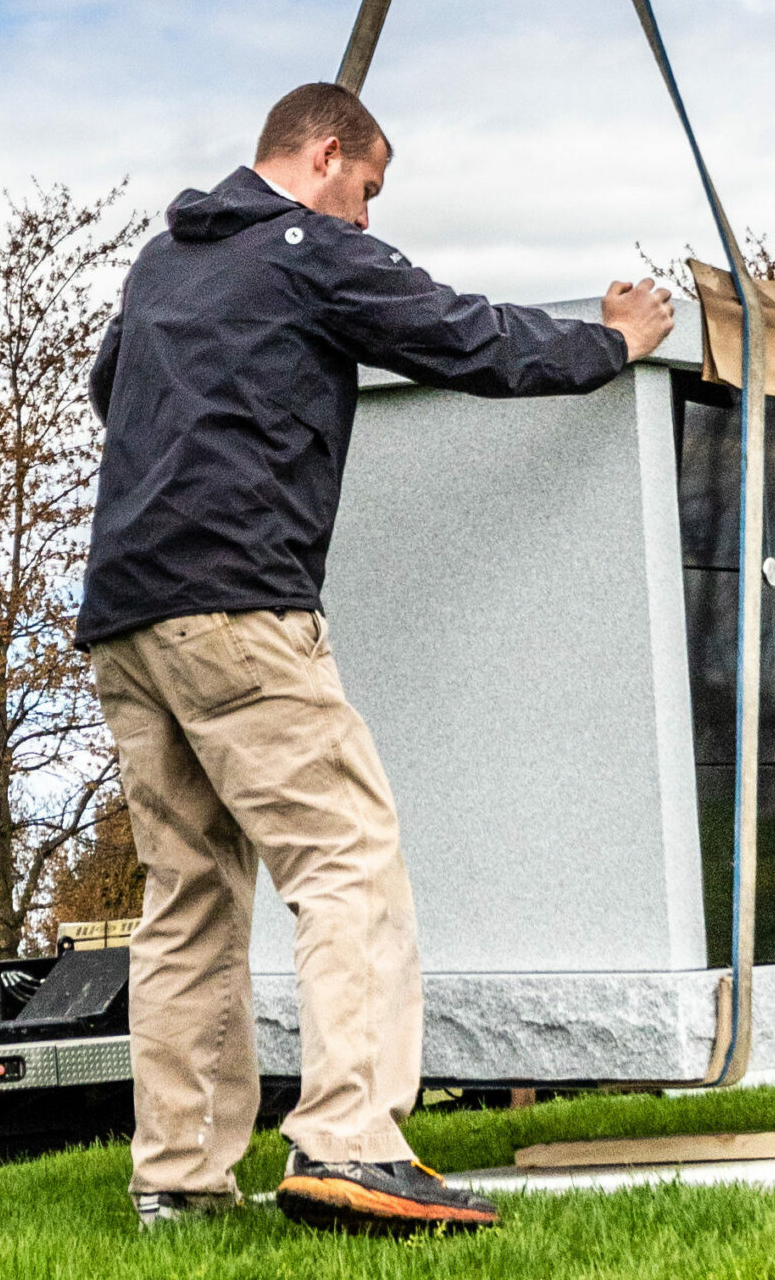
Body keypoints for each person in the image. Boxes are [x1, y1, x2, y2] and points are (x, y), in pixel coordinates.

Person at [79, 81, 675, 1234]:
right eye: (369, 187)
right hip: (238, 604)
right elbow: (462, 333)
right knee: (345, 855)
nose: (366, 214)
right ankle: (351, 1140)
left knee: (188, 894)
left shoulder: (162, 264)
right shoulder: (307, 249)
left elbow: (114, 390)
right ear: (326, 151)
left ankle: (178, 1180)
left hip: (125, 615)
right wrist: (609, 341)